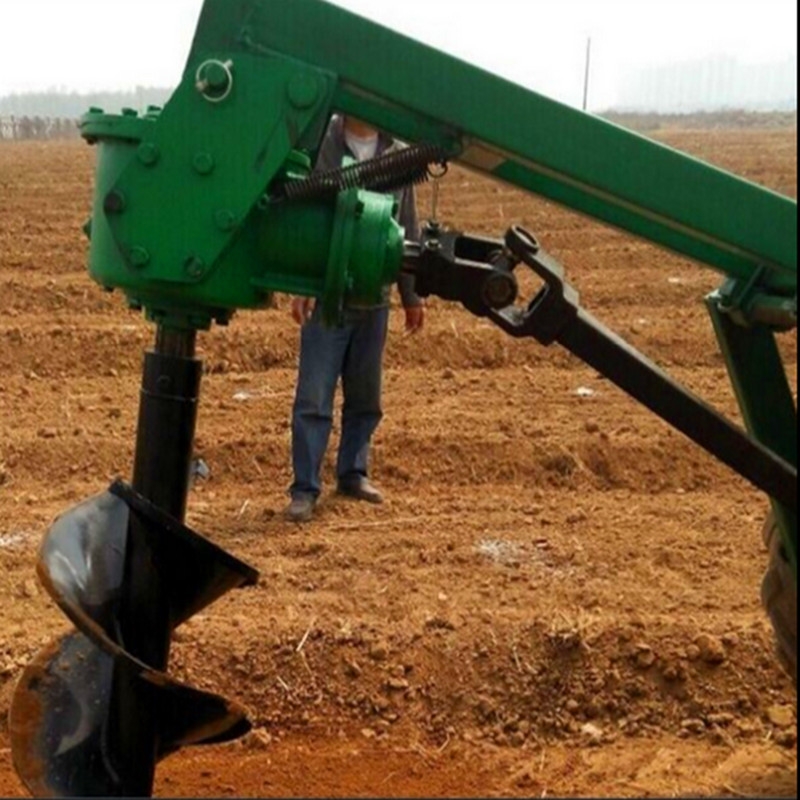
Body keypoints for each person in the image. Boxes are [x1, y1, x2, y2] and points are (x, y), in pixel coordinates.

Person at [285, 114, 425, 523]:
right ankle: (304, 490)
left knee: (366, 396)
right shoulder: (323, 147)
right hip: (329, 294)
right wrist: (302, 284)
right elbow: (306, 219)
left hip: (374, 296)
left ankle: (353, 473)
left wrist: (411, 295)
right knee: (314, 396)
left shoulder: (396, 155)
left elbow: (407, 229)